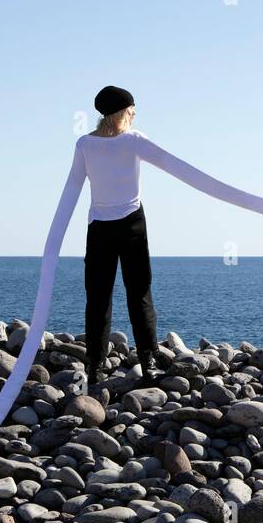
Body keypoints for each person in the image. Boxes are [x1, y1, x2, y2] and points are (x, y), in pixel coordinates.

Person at [68, 84, 168, 389]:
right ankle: (136, 364)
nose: (136, 114)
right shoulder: (131, 141)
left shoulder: (85, 143)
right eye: (132, 109)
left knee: (102, 297)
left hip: (106, 226)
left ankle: (103, 368)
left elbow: (175, 165)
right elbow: (72, 188)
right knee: (134, 293)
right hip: (119, 225)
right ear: (122, 111)